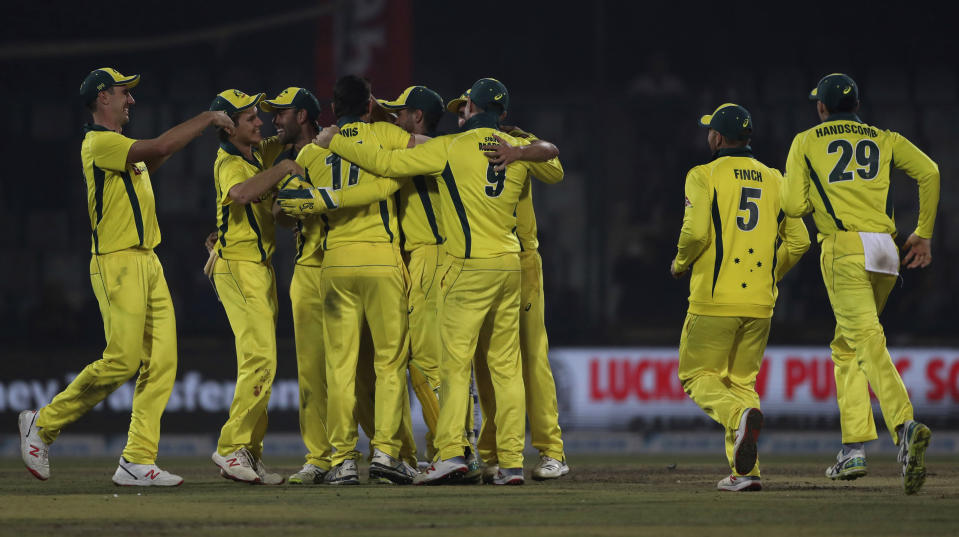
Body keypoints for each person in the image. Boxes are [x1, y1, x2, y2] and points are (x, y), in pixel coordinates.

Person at [313, 78, 564, 485]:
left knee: (452, 365)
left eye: (462, 107)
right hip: (508, 264)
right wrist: (521, 149)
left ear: (471, 108)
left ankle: (452, 453)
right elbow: (555, 162)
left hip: (463, 266)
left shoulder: (449, 147)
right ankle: (512, 462)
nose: (458, 114)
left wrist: (336, 141)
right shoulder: (515, 151)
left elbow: (390, 165)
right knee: (507, 367)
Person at [18, 67, 233, 486]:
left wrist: (186, 136)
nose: (130, 99)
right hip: (116, 262)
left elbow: (158, 155)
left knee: (164, 360)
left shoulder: (121, 149)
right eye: (124, 92)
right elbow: (163, 144)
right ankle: (43, 424)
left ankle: (136, 459)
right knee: (122, 361)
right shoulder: (99, 143)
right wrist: (206, 118)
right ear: (102, 98)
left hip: (148, 261)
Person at [783, 73, 939, 495]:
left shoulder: (806, 140)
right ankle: (853, 448)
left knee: (866, 340)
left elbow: (794, 204)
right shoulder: (883, 137)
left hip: (844, 248)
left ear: (821, 107)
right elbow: (930, 171)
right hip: (886, 251)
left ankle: (905, 426)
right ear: (856, 106)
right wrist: (922, 233)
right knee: (847, 345)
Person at [671, 103, 809, 492]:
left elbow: (696, 233)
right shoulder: (777, 179)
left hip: (714, 299)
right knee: (742, 382)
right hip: (761, 303)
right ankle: (745, 473)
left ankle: (738, 417)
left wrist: (680, 263)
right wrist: (770, 271)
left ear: (716, 137)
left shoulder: (703, 174)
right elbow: (799, 242)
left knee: (696, 375)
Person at [207, 89, 303, 485]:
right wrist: (285, 171)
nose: (260, 122)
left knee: (262, 362)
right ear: (229, 127)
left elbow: (291, 137)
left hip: (258, 268)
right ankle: (231, 448)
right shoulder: (229, 160)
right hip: (239, 268)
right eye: (250, 118)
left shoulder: (255, 154)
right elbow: (241, 194)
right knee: (260, 360)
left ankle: (249, 452)